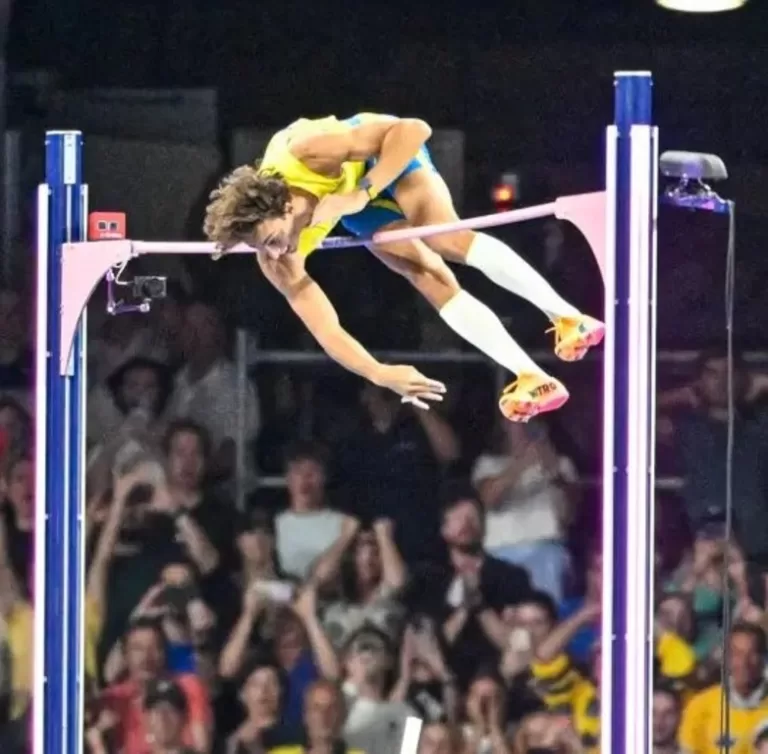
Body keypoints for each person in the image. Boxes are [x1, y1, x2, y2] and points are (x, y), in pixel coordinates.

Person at [203, 113, 604, 422]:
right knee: (427, 276)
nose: (273, 255)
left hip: (384, 160)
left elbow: (414, 129)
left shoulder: (307, 150)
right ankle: (531, 375)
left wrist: (361, 192)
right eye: (261, 249)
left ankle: (569, 317)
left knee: (443, 238)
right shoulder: (277, 261)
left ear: (285, 206)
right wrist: (379, 373)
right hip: (356, 202)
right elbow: (326, 329)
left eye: (271, 241)